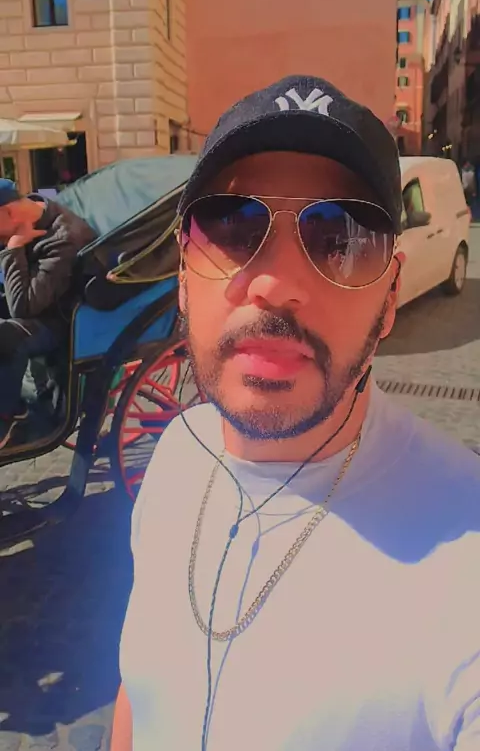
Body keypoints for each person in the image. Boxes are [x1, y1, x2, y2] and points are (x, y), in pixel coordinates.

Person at [113, 76, 480, 751]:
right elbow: (139, 690)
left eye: (340, 236)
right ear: (183, 279)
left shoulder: (464, 551)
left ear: (390, 297)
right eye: (232, 225)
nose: (276, 284)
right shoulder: (175, 455)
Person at [0, 179, 96, 447]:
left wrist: (14, 248)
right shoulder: (23, 216)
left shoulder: (64, 238)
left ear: (10, 212)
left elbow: (24, 307)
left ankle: (10, 416)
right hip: (26, 306)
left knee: (5, 336)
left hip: (56, 321)